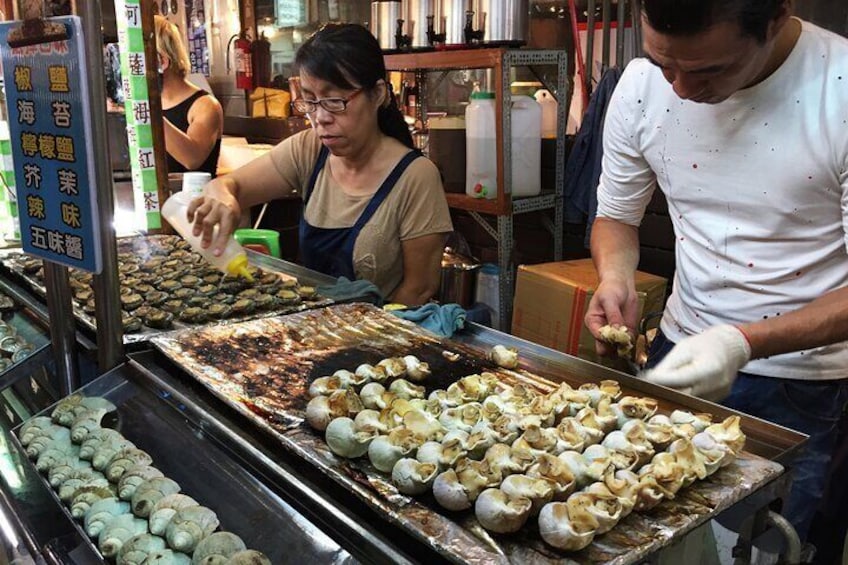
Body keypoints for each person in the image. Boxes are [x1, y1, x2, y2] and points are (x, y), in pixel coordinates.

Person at [583, 0, 848, 548]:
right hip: (679, 351)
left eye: (708, 71)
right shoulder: (639, 86)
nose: (680, 90)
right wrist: (616, 278)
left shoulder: (839, 91)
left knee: (770, 547)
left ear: (776, 19)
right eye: (665, 66)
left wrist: (740, 342)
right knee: (651, 533)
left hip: (805, 383)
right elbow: (615, 215)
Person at [186, 24, 452, 306]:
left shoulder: (416, 177)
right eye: (311, 101)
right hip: (313, 330)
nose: (320, 117)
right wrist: (223, 200)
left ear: (378, 94)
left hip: (383, 338)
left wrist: (364, 335)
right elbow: (230, 185)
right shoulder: (309, 149)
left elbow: (418, 290)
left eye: (335, 101)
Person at [154, 15, 223, 177]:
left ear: (162, 61)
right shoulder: (150, 105)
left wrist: (147, 111)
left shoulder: (205, 105)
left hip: (193, 200)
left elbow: (192, 159)